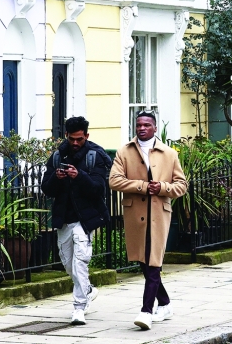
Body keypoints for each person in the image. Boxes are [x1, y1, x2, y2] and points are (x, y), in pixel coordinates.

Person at [109, 111, 187, 331]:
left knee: (153, 263)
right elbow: (114, 181)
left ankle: (146, 311)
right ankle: (165, 303)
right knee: (144, 262)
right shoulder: (124, 152)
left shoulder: (169, 154)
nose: (141, 128)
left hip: (158, 214)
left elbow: (181, 185)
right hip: (135, 215)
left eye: (146, 125)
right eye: (138, 125)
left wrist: (162, 188)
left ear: (154, 127)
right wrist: (142, 186)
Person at [40, 116, 111, 326]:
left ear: (86, 136)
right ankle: (87, 290)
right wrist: (57, 178)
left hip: (85, 218)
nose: (75, 143)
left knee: (80, 261)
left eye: (79, 139)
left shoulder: (94, 156)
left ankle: (79, 308)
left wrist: (79, 175)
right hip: (64, 218)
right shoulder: (57, 156)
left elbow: (99, 189)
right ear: (66, 136)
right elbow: (46, 188)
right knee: (68, 264)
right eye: (72, 139)